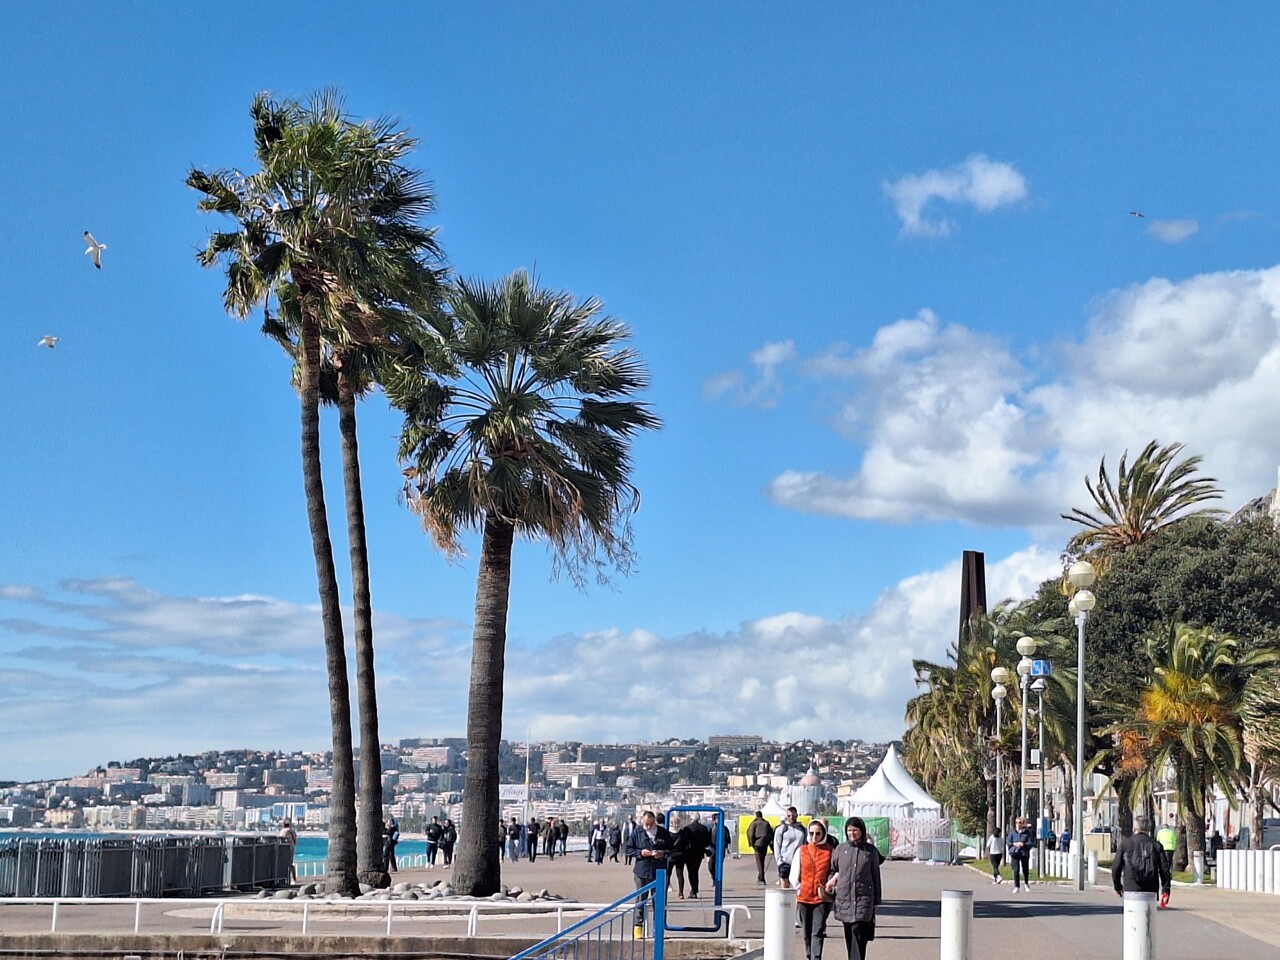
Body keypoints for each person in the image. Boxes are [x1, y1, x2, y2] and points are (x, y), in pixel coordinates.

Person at [829, 817, 882, 960]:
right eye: (849, 830)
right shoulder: (840, 849)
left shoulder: (870, 851)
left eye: (855, 830)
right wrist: (831, 881)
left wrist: (876, 900)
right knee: (850, 936)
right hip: (844, 899)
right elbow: (833, 870)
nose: (852, 833)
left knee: (858, 934)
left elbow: (876, 875)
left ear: (862, 831)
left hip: (863, 900)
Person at [793, 820, 835, 960]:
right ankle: (808, 954)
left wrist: (830, 884)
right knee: (806, 931)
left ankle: (816, 957)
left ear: (823, 834)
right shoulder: (802, 850)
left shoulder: (830, 851)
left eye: (818, 833)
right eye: (811, 833)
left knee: (817, 931)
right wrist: (798, 887)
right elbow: (794, 872)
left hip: (821, 898)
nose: (814, 837)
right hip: (803, 897)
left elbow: (835, 870)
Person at [626, 810, 673, 931]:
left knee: (658, 900)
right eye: (646, 824)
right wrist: (640, 853)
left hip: (659, 871)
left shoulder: (663, 833)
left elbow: (672, 850)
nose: (648, 826)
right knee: (641, 899)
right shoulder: (638, 832)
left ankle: (658, 927)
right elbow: (628, 849)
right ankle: (638, 926)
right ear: (642, 822)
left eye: (651, 824)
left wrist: (662, 853)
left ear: (654, 822)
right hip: (642, 871)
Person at [1112, 815, 1171, 909]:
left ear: (1134, 827)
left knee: (1132, 920)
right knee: (1148, 920)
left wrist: (1117, 886)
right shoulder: (1156, 845)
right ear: (1149, 828)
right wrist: (1166, 890)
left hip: (1131, 888)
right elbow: (1165, 869)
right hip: (1151, 889)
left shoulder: (1126, 843)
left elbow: (1116, 867)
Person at [673, 815, 712, 899]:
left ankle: (693, 891)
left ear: (691, 819)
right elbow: (707, 841)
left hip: (689, 853)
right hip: (699, 853)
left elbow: (684, 841)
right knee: (695, 871)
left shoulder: (687, 828)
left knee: (691, 872)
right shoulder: (704, 828)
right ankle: (694, 891)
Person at [775, 807, 806, 888]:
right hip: (785, 861)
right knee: (785, 885)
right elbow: (777, 845)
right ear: (786, 816)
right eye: (789, 815)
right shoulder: (781, 829)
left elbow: (805, 844)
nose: (791, 817)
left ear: (797, 815)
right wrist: (779, 861)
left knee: (797, 885)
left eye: (793, 815)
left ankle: (795, 900)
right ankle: (784, 900)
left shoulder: (802, 829)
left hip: (798, 861)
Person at [746, 810, 775, 884]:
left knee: (759, 861)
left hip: (757, 844)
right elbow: (771, 834)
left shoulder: (754, 823)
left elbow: (750, 833)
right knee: (762, 860)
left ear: (756, 816)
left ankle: (761, 878)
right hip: (764, 844)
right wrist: (770, 844)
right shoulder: (766, 823)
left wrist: (751, 843)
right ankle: (761, 876)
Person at [1007, 817, 1034, 892]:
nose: (1018, 824)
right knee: (1016, 870)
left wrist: (1023, 844)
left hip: (1024, 853)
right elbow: (1008, 842)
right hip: (1015, 853)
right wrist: (1014, 844)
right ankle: (1016, 886)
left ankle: (1026, 883)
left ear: (1023, 824)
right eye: (1016, 822)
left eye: (1019, 823)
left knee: (1025, 869)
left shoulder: (1027, 833)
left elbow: (1030, 843)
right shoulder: (1012, 832)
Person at [280, 819, 298, 883]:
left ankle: (286, 879)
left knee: (284, 864)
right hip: (292, 848)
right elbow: (295, 840)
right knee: (290, 863)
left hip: (285, 849)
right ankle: (293, 878)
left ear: (283, 825)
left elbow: (281, 839)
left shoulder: (284, 831)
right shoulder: (293, 831)